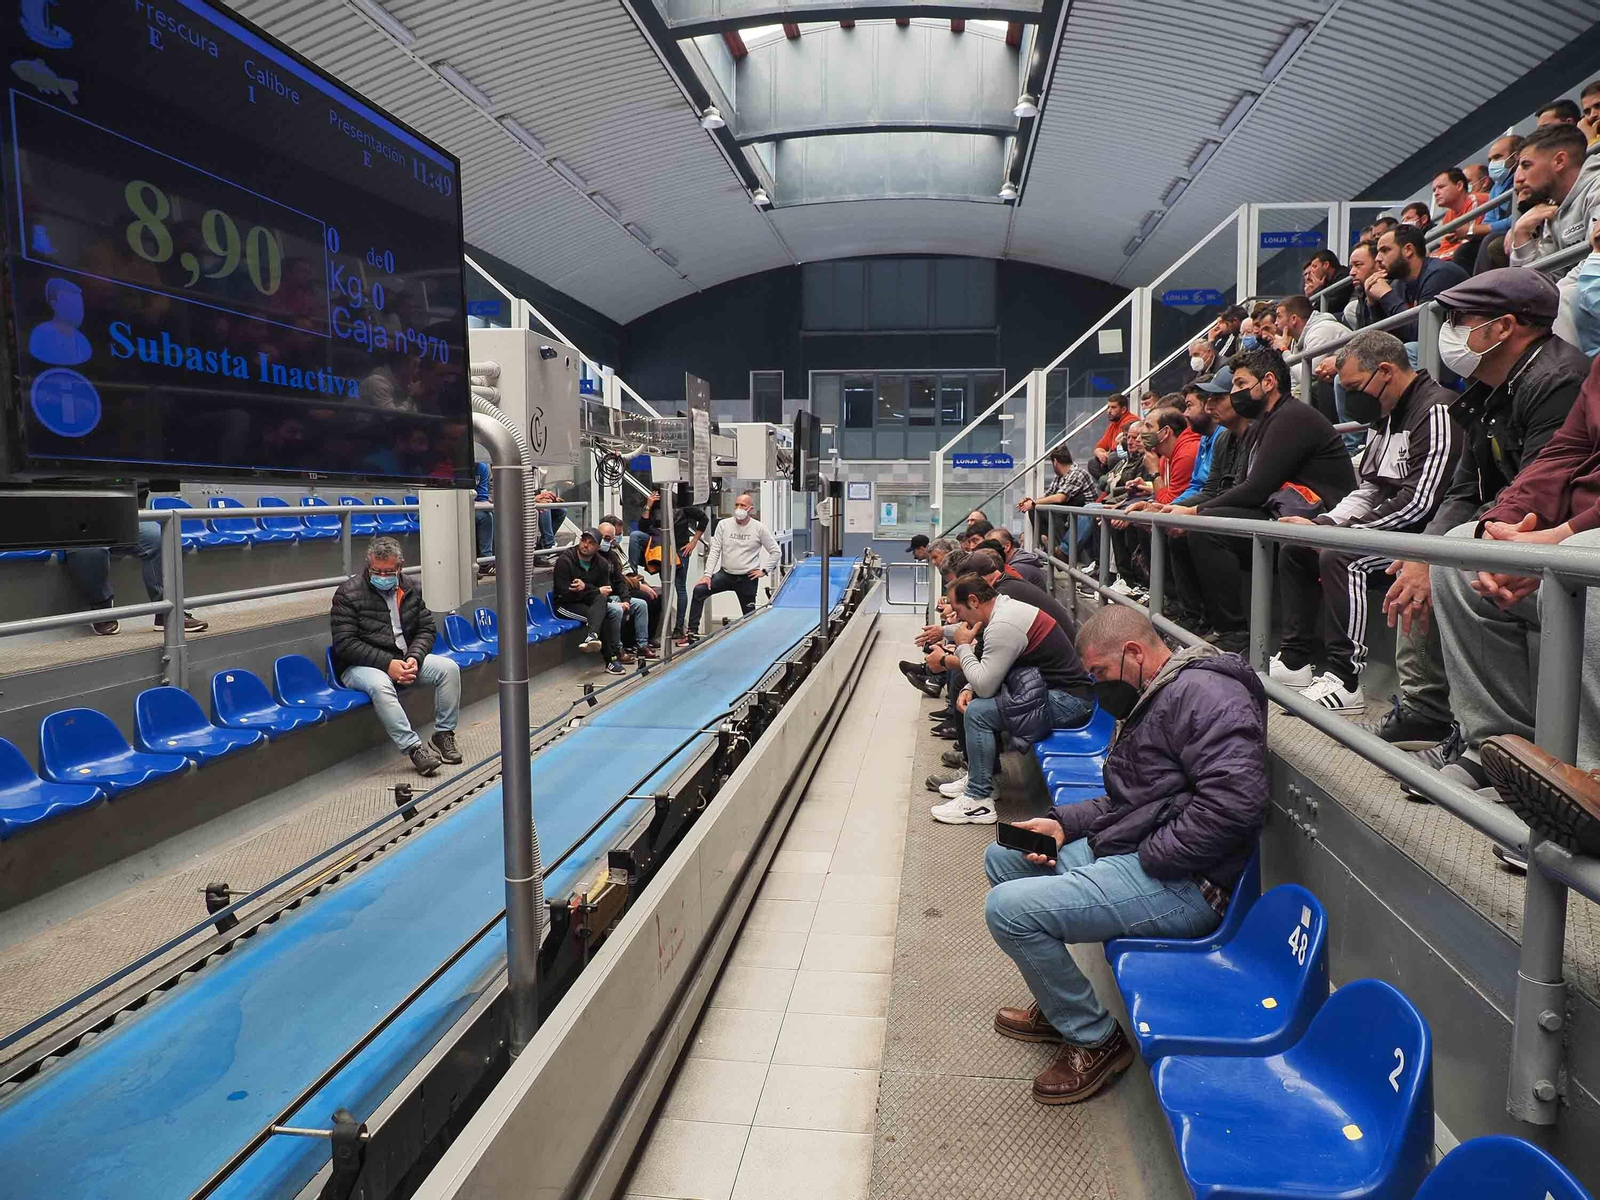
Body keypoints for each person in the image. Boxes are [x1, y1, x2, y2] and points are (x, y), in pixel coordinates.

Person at [983, 606, 1266, 1105]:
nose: (1097, 688)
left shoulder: (1207, 695)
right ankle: (1058, 1002)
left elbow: (1235, 806)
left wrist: (1146, 856)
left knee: (1009, 911)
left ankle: (1095, 1040)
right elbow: (1126, 799)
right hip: (1139, 852)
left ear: (1134, 653)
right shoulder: (1158, 695)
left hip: (1184, 883)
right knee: (1006, 854)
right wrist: (1062, 823)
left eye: (1100, 674)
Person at [1380, 269, 1589, 751]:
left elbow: (1545, 486)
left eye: (1459, 318)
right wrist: (1424, 551)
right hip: (1511, 523)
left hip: (1544, 529)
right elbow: (1461, 492)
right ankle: (1437, 715)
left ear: (1504, 327)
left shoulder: (1560, 379)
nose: (1448, 331)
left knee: (1452, 561)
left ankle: (1505, 743)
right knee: (1422, 558)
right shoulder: (1487, 394)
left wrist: (1469, 540)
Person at [1429, 350, 1600, 812]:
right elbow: (1565, 451)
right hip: (1575, 530)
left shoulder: (1557, 376)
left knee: (1584, 560)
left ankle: (1587, 780)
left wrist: (1564, 536)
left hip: (1586, 537)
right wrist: (1505, 525)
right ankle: (1498, 746)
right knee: (1462, 553)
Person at [1271, 330, 1462, 713]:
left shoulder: (1437, 409)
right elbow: (1370, 489)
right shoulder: (1384, 420)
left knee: (1343, 556)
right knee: (1297, 547)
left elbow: (1421, 504)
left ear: (1386, 372)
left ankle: (1345, 682)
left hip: (1424, 537)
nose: (1352, 399)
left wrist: (1341, 535)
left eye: (1355, 386)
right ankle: (1295, 661)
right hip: (1385, 530)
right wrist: (1325, 523)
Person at [1174, 347, 1356, 650]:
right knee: (1194, 527)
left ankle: (1235, 636)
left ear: (1268, 382)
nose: (1234, 393)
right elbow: (1249, 489)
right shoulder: (1265, 423)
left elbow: (1256, 489)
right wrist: (1186, 509)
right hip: (1282, 516)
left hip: (1318, 520)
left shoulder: (1292, 416)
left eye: (1241, 384)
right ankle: (1210, 623)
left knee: (1206, 528)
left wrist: (1195, 512)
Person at [928, 575, 1096, 825]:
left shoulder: (1003, 624)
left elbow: (986, 686)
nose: (959, 617)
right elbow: (992, 667)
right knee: (978, 703)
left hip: (1070, 701)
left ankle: (978, 800)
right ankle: (983, 780)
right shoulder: (1003, 611)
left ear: (973, 601)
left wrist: (962, 647)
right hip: (1045, 691)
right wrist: (968, 685)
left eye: (959, 608)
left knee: (978, 712)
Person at [331, 536, 460, 776]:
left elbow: (426, 629)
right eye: (376, 571)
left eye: (388, 571)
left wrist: (414, 658)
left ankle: (443, 735)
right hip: (359, 666)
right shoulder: (347, 593)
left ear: (400, 566)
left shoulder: (412, 587)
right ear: (368, 565)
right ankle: (414, 749)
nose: (381, 575)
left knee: (449, 669)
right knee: (380, 685)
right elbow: (345, 644)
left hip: (402, 658)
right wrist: (387, 664)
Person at [63, 483, 208, 637]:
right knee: (90, 550)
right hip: (77, 515)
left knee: (158, 537)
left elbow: (138, 483)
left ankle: (166, 611)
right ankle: (101, 608)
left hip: (121, 514)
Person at [1508, 124, 1600, 343]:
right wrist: (1521, 236)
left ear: (1559, 161)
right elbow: (1535, 287)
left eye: (1526, 165)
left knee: (1565, 299)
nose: (1518, 178)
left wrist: (1551, 298)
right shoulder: (1552, 212)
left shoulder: (1597, 186)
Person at [683, 493, 780, 641]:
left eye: (743, 505)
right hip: (725, 575)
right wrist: (707, 575)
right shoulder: (724, 524)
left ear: (751, 509)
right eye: (737, 505)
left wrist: (764, 571)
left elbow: (776, 551)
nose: (739, 508)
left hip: (747, 578)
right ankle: (691, 633)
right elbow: (715, 550)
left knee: (749, 615)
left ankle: (751, 640)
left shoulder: (759, 528)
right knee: (699, 590)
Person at [631, 491, 709, 642]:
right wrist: (648, 505)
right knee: (665, 586)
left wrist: (693, 542)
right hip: (660, 549)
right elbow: (643, 527)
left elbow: (703, 519)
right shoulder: (654, 506)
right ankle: (632, 573)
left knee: (680, 587)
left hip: (680, 549)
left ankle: (678, 627)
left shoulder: (682, 504)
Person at [553, 528, 628, 673]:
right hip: (565, 605)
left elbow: (603, 592)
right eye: (583, 540)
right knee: (600, 615)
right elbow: (564, 595)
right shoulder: (565, 561)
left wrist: (585, 587)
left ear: (598, 547)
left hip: (588, 602)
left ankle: (594, 638)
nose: (585, 545)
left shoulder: (601, 564)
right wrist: (593, 591)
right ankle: (610, 660)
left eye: (591, 543)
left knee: (601, 605)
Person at [1365, 225, 1468, 322]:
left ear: (1408, 250)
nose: (1377, 258)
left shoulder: (1440, 274)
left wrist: (1387, 295)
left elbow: (1421, 333)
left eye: (1385, 250)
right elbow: (1387, 334)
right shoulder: (1400, 282)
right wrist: (1373, 302)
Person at [1276, 294, 1348, 417]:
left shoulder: (1321, 330)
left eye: (1278, 316)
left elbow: (1306, 376)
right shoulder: (1299, 339)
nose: (1275, 322)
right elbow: (1294, 382)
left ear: (1293, 319)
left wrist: (1284, 350)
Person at [1018, 447, 1096, 556]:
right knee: (1035, 510)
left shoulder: (1077, 473)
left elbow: (1060, 498)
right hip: (1071, 508)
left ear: (1055, 462)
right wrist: (1032, 502)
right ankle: (1049, 545)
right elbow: (1048, 495)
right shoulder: (1059, 476)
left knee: (1055, 511)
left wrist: (1033, 503)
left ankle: (1062, 552)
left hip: (1084, 512)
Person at [599, 516, 657, 659]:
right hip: (601, 596)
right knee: (618, 609)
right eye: (606, 538)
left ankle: (642, 645)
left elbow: (619, 581)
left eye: (614, 537)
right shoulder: (594, 557)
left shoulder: (612, 555)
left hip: (617, 592)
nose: (613, 540)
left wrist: (625, 599)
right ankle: (618, 648)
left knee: (641, 604)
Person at [1468, 134, 1524, 274]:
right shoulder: (1495, 188)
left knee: (1491, 241)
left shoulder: (1522, 177)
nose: (1492, 163)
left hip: (1519, 230)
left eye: (1497, 157)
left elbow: (1519, 216)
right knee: (1466, 250)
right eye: (1490, 159)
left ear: (1516, 156)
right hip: (1500, 232)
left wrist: (1480, 229)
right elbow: (1489, 219)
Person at [1428, 168, 1476, 263]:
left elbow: (1467, 244)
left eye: (1441, 187)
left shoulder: (1475, 200)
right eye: (1434, 190)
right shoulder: (1449, 214)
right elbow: (1444, 247)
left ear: (1459, 186)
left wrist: (1432, 259)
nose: (1436, 193)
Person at [1088, 394, 1137, 479]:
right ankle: (1106, 485)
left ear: (1123, 409)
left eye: (1113, 407)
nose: (1109, 411)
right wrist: (1101, 455)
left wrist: (1107, 455)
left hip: (1129, 459)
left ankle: (1111, 484)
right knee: (1092, 463)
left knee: (1113, 457)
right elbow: (1099, 447)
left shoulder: (1131, 422)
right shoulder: (1112, 425)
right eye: (1108, 407)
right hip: (1111, 459)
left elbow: (1119, 447)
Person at [988, 526, 1047, 590]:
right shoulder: (1020, 561)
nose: (987, 553)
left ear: (1007, 546)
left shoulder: (1018, 568)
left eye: (992, 547)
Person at [472, 460, 494, 578]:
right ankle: (485, 562)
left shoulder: (482, 467)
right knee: (485, 517)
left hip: (477, 505)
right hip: (455, 505)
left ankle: (489, 560)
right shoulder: (457, 466)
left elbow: (482, 495)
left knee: (495, 515)